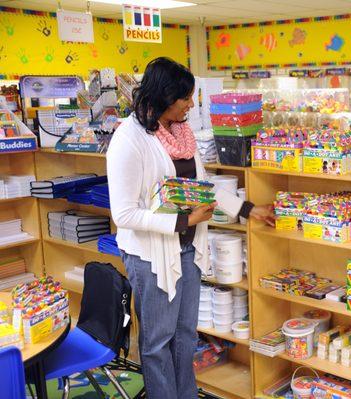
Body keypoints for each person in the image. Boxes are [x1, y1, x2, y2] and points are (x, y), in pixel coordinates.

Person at [106, 57, 274, 399]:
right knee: (157, 341)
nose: (192, 104)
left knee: (184, 336)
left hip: (187, 249)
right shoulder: (128, 139)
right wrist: (185, 220)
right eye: (186, 98)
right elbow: (124, 214)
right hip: (151, 255)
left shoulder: (180, 133)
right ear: (166, 97)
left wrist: (247, 209)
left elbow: (202, 186)